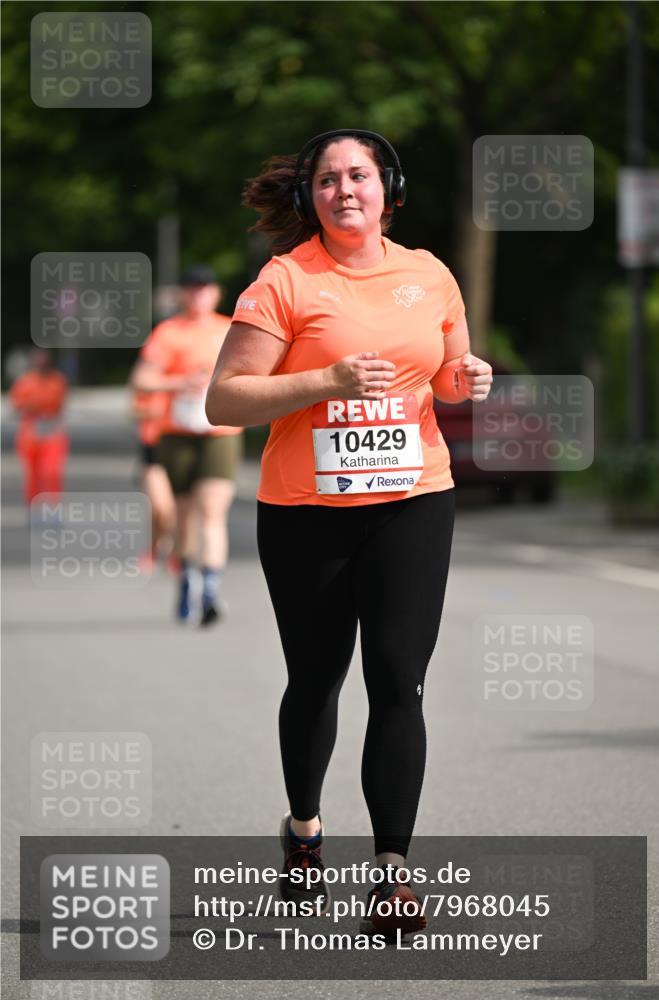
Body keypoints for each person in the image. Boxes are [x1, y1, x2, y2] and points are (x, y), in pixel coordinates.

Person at [206, 129, 493, 933]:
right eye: (326, 180)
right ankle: (303, 830)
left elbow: (444, 376)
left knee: (398, 680)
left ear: (386, 187)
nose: (343, 191)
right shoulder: (284, 282)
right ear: (310, 199)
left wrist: (467, 377)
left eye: (357, 175)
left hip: (412, 499)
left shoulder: (429, 273)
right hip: (305, 512)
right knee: (317, 678)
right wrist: (324, 380)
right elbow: (223, 402)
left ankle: (392, 873)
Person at [132, 265, 243, 626]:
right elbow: (142, 380)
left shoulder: (231, 328)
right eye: (192, 288)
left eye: (205, 288)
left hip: (220, 433)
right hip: (176, 434)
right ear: (183, 293)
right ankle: (186, 580)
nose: (199, 294)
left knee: (212, 512)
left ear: (216, 293)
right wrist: (181, 382)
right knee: (183, 520)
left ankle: (210, 591)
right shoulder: (168, 333)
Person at [10, 348, 69, 505]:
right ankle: (33, 504)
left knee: (51, 471)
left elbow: (60, 405)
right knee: (32, 473)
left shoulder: (57, 380)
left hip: (52, 432)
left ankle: (52, 505)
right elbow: (16, 406)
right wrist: (32, 407)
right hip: (30, 432)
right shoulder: (25, 382)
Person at [129, 385, 176, 573]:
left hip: (180, 448)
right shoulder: (153, 379)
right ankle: (155, 546)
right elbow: (134, 411)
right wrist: (158, 412)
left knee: (177, 507)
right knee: (160, 507)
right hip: (153, 450)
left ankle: (175, 551)